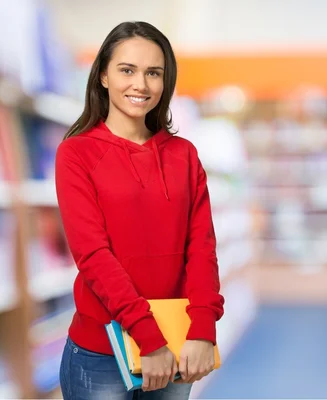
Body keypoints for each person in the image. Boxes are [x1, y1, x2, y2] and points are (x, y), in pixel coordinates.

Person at [55, 21, 225, 400]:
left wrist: (202, 330)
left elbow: (201, 248)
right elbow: (93, 255)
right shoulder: (76, 153)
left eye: (153, 73)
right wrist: (148, 338)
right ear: (102, 75)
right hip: (102, 352)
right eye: (127, 70)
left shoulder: (184, 156)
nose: (141, 85)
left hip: (179, 343)